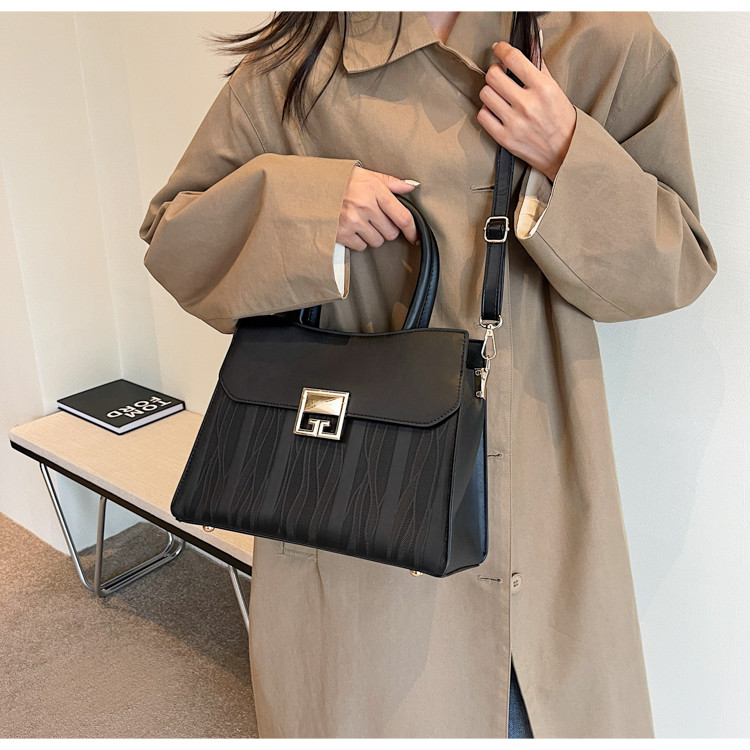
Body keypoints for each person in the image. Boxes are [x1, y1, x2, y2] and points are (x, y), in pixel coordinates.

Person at [139, 11, 717, 739]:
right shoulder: (304, 58)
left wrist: (567, 151)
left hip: (532, 519)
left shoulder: (597, 40)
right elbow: (175, 239)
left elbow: (673, 264)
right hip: (356, 518)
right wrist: (308, 209)